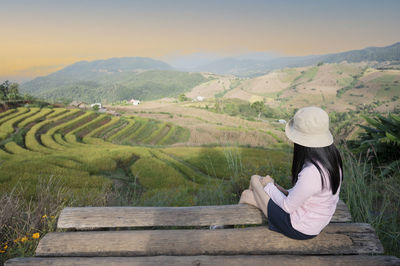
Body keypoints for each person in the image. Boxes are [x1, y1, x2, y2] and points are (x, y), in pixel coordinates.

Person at [239, 106, 343, 240]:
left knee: (254, 179)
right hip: (313, 222)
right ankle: (227, 228)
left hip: (298, 227)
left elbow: (287, 206)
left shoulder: (311, 172)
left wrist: (269, 185)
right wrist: (277, 188)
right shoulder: (331, 160)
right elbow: (304, 194)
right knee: (246, 195)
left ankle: (233, 230)